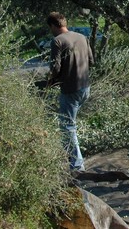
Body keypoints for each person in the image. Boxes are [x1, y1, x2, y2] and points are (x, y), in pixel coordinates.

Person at [46, 12, 94, 171]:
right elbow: (91, 61)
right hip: (85, 88)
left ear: (53, 26)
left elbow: (55, 68)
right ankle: (73, 159)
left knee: (67, 127)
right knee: (71, 125)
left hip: (70, 89)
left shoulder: (57, 41)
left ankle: (77, 166)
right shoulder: (82, 37)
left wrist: (50, 82)